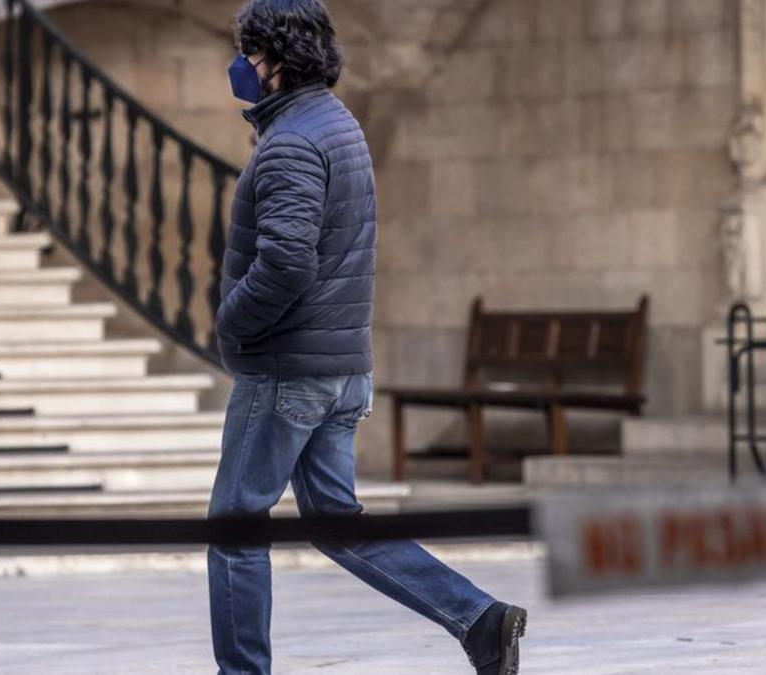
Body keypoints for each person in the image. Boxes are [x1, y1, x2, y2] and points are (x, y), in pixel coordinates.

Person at [208, 1, 527, 673]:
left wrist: (231, 320)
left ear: (275, 61)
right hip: (340, 367)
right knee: (339, 524)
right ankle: (479, 619)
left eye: (248, 53)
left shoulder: (294, 141)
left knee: (235, 528)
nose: (239, 65)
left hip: (288, 371)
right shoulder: (337, 124)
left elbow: (288, 261)